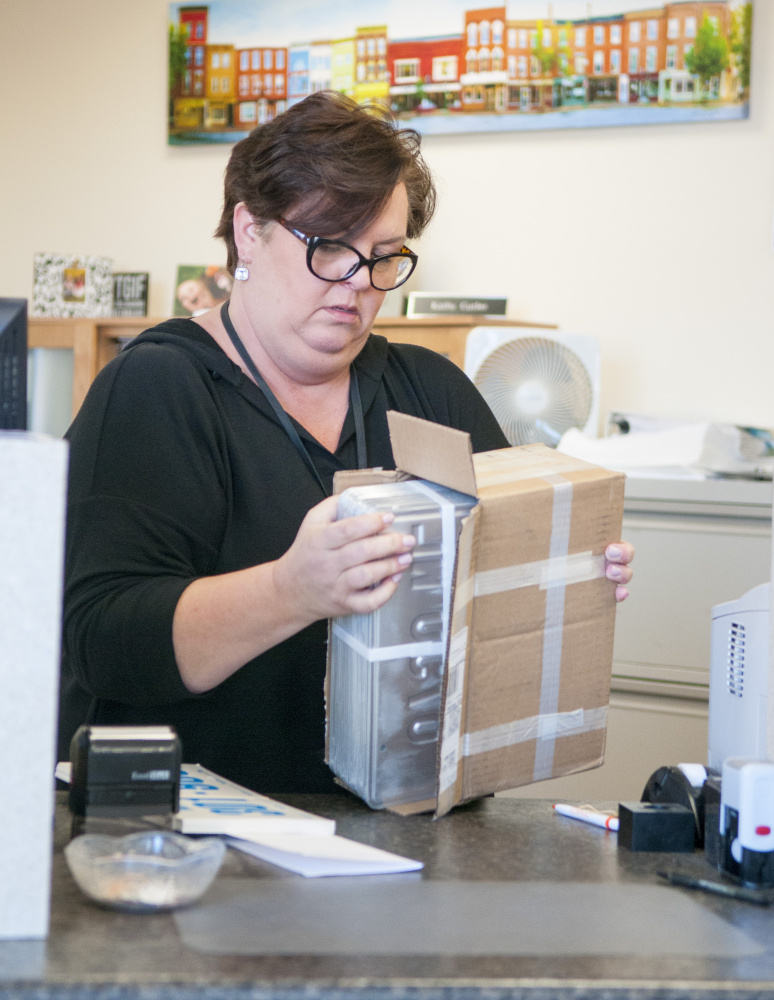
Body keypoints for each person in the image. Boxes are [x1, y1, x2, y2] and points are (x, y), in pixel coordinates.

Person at [58, 92, 633, 794]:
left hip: (405, 813)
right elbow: (105, 645)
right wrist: (290, 590)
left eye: (384, 257)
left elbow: (502, 583)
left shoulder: (430, 389)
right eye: (330, 246)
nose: (358, 282)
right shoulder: (158, 388)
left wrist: (571, 574)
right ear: (248, 231)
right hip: (201, 824)